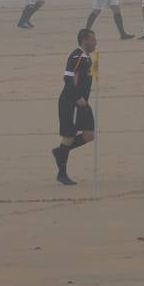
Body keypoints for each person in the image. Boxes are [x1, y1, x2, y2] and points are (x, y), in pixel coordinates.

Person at [52, 29, 97, 186]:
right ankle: (62, 174)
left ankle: (60, 152)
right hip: (71, 103)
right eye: (92, 39)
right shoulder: (77, 56)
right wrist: (77, 98)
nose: (95, 42)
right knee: (69, 136)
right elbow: (68, 78)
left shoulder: (87, 58)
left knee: (89, 134)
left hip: (83, 103)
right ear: (84, 40)